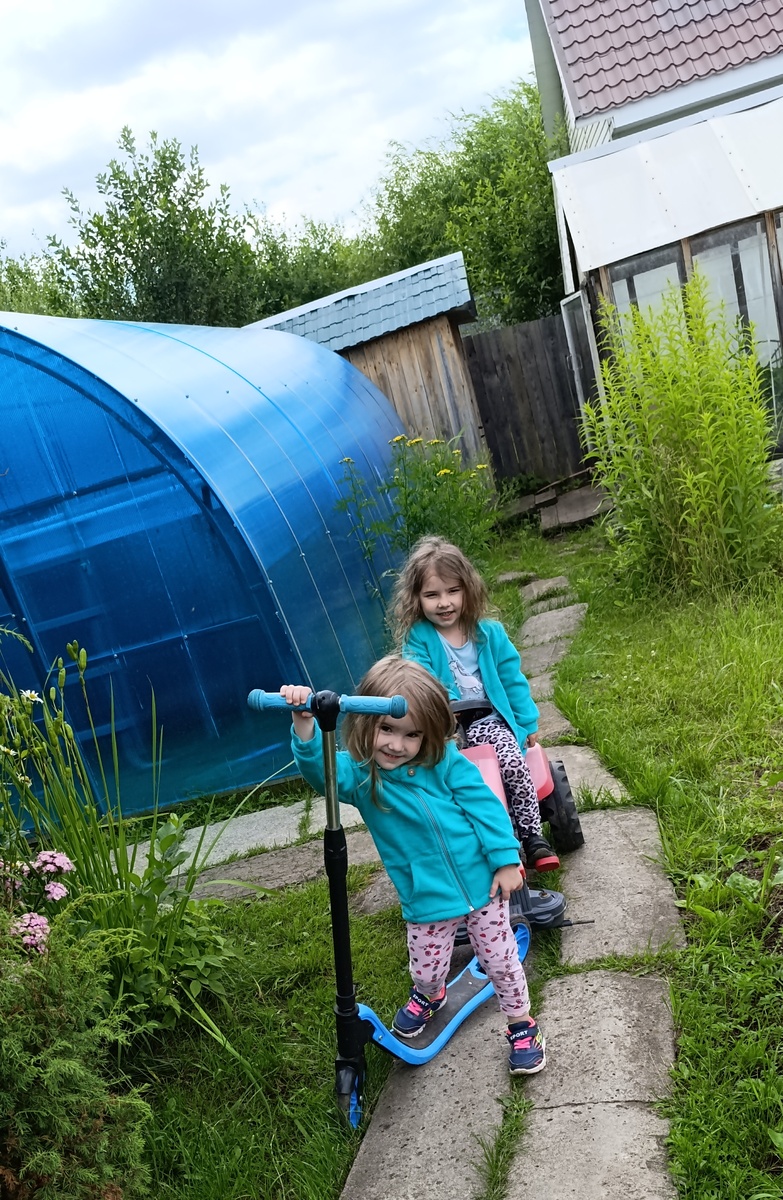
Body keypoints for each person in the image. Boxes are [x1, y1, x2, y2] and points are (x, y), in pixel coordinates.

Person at [279, 655, 546, 1075]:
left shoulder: (442, 763)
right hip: (425, 895)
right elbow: (322, 774)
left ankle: (521, 1024)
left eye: (411, 735)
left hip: (483, 883)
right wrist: (304, 724)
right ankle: (431, 993)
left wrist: (505, 858)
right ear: (367, 722)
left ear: (429, 736)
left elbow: (485, 807)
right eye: (387, 729)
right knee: (426, 966)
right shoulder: (363, 778)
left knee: (499, 962)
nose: (396, 745)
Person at [392, 534, 559, 872]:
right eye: (432, 595)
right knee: (449, 784)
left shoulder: (489, 633)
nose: (444, 603)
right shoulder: (420, 638)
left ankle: (529, 835)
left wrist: (526, 724)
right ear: (417, 599)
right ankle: (471, 847)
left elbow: (512, 679)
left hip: (488, 719)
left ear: (468, 590)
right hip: (444, 727)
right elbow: (418, 679)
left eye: (453, 591)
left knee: (511, 763)